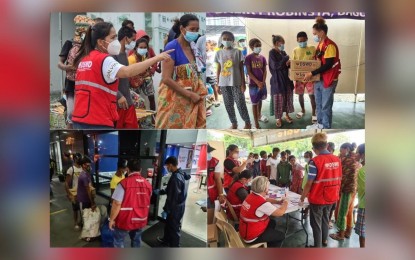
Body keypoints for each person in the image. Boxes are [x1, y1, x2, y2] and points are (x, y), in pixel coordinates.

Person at [71, 22, 173, 129]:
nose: (116, 41)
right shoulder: (104, 59)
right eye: (113, 37)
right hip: (97, 120)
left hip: (80, 118)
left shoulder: (84, 59)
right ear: (101, 42)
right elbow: (127, 72)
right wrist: (157, 58)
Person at [155, 14, 207, 129]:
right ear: (182, 29)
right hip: (174, 100)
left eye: (197, 29)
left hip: (192, 100)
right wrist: (189, 94)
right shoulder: (172, 47)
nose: (195, 32)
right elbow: (166, 78)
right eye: (192, 29)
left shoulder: (193, 48)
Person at [300, 133, 342, 247]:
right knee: (325, 220)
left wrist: (302, 197)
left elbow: (309, 183)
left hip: (318, 199)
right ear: (327, 145)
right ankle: (324, 241)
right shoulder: (337, 159)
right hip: (331, 197)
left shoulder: (315, 162)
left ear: (313, 148)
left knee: (316, 224)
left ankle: (317, 247)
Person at [57, 15, 95, 129]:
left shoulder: (90, 46)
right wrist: (67, 67)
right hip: (71, 83)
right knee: (71, 113)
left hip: (85, 85)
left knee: (84, 114)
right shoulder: (69, 43)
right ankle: (71, 132)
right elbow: (59, 63)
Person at [304, 17, 341, 129]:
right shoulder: (320, 44)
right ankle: (319, 124)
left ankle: (325, 126)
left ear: (322, 32)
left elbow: (328, 65)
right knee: (318, 104)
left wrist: (311, 72)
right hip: (319, 79)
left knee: (326, 106)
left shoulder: (330, 45)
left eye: (315, 33)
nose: (314, 36)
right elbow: (318, 62)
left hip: (328, 80)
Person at [109, 159, 152, 248]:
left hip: (125, 219)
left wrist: (112, 219)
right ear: (140, 170)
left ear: (128, 169)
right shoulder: (148, 184)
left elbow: (116, 203)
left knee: (119, 241)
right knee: (136, 240)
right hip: (141, 219)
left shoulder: (123, 184)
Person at [215, 31, 251, 129]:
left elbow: (241, 69)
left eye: (229, 39)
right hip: (224, 83)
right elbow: (218, 69)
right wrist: (218, 84)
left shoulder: (237, 52)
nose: (226, 41)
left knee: (241, 103)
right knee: (228, 105)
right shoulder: (218, 53)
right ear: (221, 40)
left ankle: (247, 122)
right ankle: (234, 123)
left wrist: (243, 84)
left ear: (233, 40)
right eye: (224, 39)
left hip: (236, 82)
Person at [239, 176, 288, 247]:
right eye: (268, 187)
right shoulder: (262, 204)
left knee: (272, 222)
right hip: (251, 236)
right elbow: (280, 212)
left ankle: (268, 242)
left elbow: (266, 199)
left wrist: (278, 202)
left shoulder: (251, 195)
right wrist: (286, 202)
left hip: (244, 230)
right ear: (265, 189)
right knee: (281, 236)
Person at [156, 156, 191, 247]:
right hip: (179, 206)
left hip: (175, 208)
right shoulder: (181, 173)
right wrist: (161, 191)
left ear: (171, 165)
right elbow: (171, 190)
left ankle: (175, 246)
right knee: (168, 225)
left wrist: (167, 209)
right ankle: (166, 240)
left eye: (167, 166)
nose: (166, 168)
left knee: (174, 228)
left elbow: (173, 197)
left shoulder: (176, 178)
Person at [330, 143, 359, 241]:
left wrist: (338, 189)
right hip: (353, 189)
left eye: (341, 150)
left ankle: (341, 235)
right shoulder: (355, 158)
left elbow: (344, 177)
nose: (340, 152)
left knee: (342, 212)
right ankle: (348, 232)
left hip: (346, 189)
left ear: (346, 149)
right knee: (349, 211)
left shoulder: (348, 160)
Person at [113, 26, 139, 129]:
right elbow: (108, 80)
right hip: (119, 103)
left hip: (128, 101)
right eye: (133, 40)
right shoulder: (113, 55)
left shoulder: (125, 54)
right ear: (125, 39)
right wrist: (118, 96)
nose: (134, 43)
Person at [269, 35, 294, 128]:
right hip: (277, 80)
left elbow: (285, 65)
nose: (283, 45)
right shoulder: (272, 53)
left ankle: (286, 115)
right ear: (276, 43)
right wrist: (285, 59)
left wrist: (288, 63)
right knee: (279, 100)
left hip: (286, 79)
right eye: (282, 43)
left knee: (287, 98)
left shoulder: (283, 52)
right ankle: (278, 118)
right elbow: (275, 66)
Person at [292, 31, 317, 123]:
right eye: (299, 41)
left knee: (312, 96)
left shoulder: (312, 48)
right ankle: (302, 110)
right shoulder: (295, 50)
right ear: (297, 41)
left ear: (306, 39)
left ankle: (314, 113)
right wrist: (294, 76)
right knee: (300, 95)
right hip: (299, 78)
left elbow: (316, 61)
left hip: (311, 77)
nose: (302, 43)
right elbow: (294, 64)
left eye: (303, 40)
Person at [128, 38, 156, 114]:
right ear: (136, 48)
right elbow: (129, 74)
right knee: (137, 101)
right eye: (141, 47)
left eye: (145, 48)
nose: (143, 49)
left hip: (144, 78)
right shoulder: (131, 59)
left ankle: (154, 116)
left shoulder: (144, 57)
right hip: (134, 81)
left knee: (151, 97)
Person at [245, 38, 268, 129]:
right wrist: (257, 82)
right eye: (256, 46)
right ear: (251, 47)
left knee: (260, 100)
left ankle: (259, 115)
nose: (259, 47)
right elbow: (249, 72)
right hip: (253, 85)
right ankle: (256, 123)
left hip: (262, 84)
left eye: (259, 46)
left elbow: (265, 71)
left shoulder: (263, 58)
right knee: (254, 103)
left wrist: (263, 81)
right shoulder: (248, 58)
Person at [207, 144, 226, 224]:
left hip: (211, 193)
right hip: (206, 192)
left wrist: (221, 194)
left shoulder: (215, 162)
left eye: (209, 151)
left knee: (212, 216)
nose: (208, 153)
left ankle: (212, 228)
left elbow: (218, 179)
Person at [65, 153, 83, 230]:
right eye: (79, 159)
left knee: (82, 208)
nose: (80, 160)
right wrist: (69, 194)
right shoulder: (71, 169)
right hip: (75, 193)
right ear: (75, 159)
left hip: (83, 192)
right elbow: (66, 183)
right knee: (75, 209)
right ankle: (75, 223)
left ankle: (81, 222)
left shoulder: (83, 168)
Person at [354, 144, 365, 247]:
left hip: (365, 206)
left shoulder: (362, 170)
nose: (356, 154)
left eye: (358, 152)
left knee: (363, 234)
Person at [206, 39, 220, 107]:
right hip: (205, 73)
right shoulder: (203, 53)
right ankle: (208, 100)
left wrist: (203, 62)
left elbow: (210, 62)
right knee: (205, 86)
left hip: (211, 73)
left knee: (213, 86)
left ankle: (217, 99)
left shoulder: (212, 53)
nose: (205, 46)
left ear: (210, 46)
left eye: (207, 45)